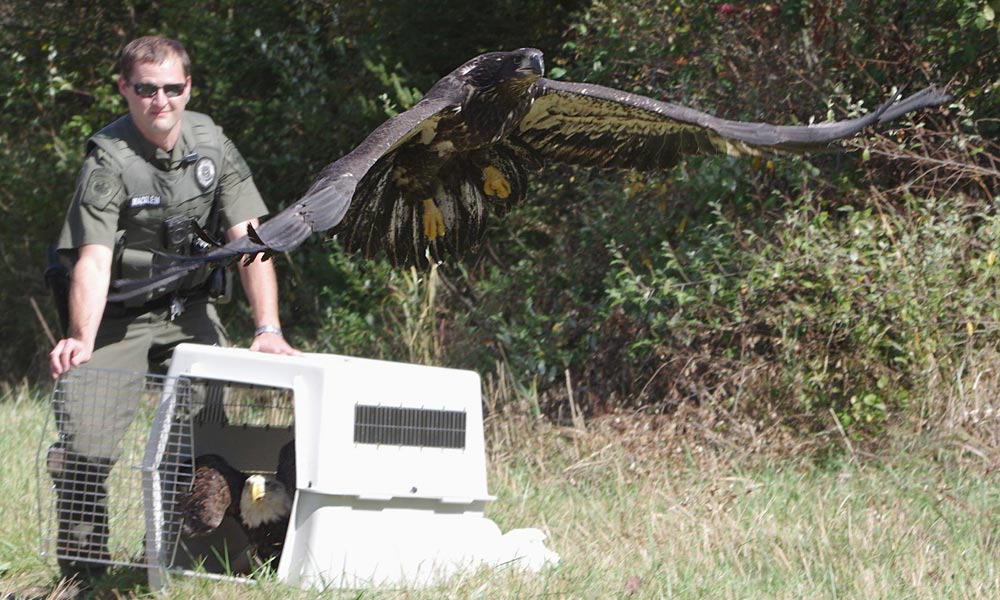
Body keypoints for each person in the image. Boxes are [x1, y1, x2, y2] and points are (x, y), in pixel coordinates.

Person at [46, 35, 300, 584]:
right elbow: (90, 260)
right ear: (125, 89)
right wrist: (81, 338)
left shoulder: (212, 144)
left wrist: (267, 328)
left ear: (188, 88)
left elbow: (250, 239)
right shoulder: (108, 160)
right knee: (86, 440)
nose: (159, 101)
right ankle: (84, 574)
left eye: (171, 88)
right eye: (145, 89)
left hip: (188, 313)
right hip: (117, 316)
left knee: (201, 445)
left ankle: (168, 564)